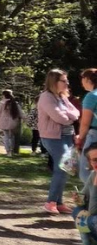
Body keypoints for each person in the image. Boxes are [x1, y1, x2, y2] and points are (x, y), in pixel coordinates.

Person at [38, 69, 80, 214]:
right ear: (54, 81)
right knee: (62, 168)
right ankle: (50, 202)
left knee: (66, 168)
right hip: (53, 138)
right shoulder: (46, 97)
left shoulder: (62, 97)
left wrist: (68, 116)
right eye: (64, 80)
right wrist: (69, 117)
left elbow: (76, 113)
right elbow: (59, 118)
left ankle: (58, 202)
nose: (67, 83)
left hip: (68, 137)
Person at [77, 144, 97, 245]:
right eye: (95, 160)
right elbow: (83, 197)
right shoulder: (93, 175)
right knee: (80, 217)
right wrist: (77, 198)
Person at [0, 89, 23, 157]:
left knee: (6, 136)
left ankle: (8, 151)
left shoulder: (2, 103)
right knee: (11, 136)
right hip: (13, 122)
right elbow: (20, 113)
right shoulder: (14, 103)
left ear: (4, 95)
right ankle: (12, 150)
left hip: (4, 121)